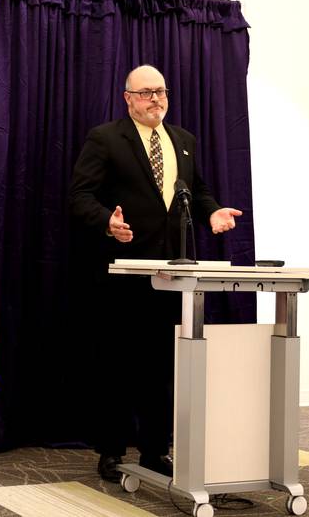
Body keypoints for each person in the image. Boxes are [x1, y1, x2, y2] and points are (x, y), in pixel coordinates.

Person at [69, 65, 242, 482]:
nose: (156, 99)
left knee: (162, 367)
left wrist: (212, 210)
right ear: (127, 97)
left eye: (161, 92)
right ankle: (111, 451)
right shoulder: (106, 139)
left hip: (172, 275)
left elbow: (195, 192)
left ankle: (154, 449)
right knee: (118, 365)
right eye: (146, 93)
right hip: (123, 272)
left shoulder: (183, 140)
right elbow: (80, 195)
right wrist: (106, 221)